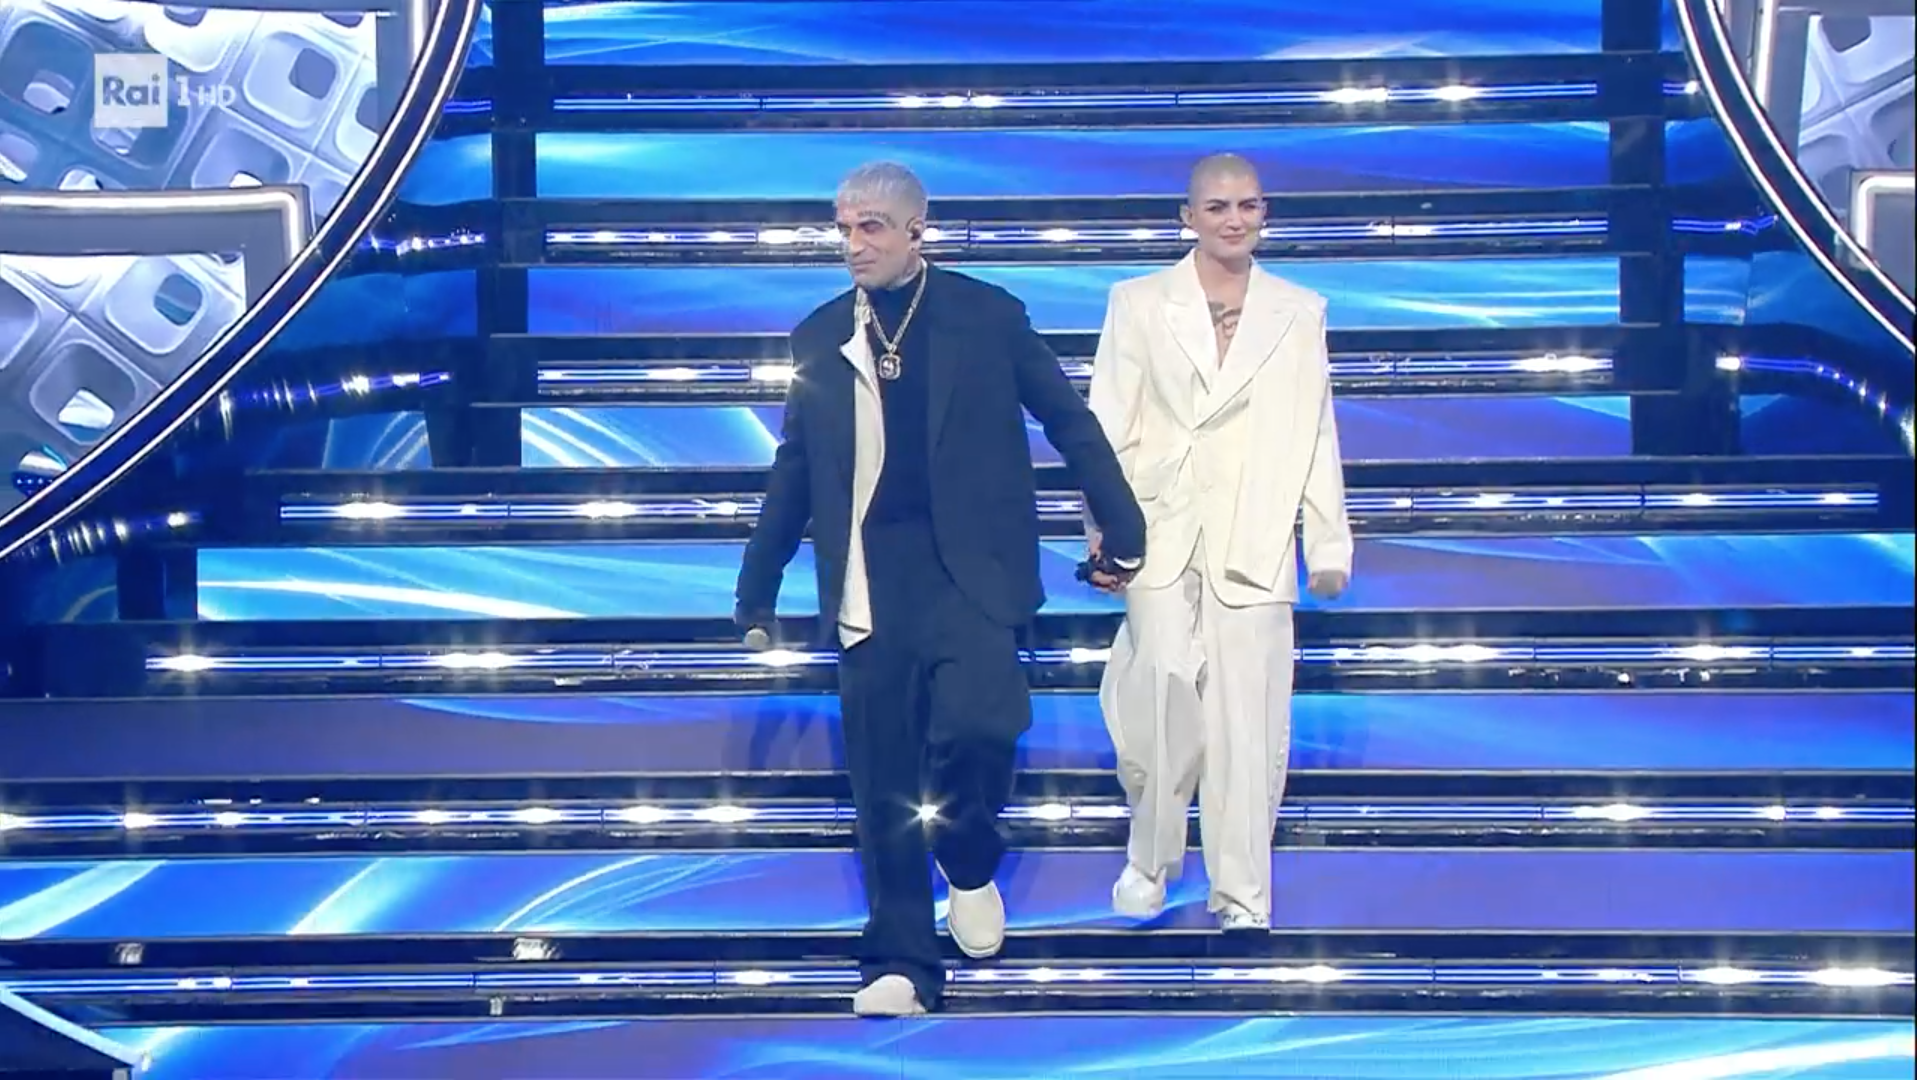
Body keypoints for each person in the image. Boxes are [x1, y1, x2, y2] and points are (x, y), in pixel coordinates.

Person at [733, 161, 1147, 1015]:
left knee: (980, 727)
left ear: (916, 230)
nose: (854, 244)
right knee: (881, 782)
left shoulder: (986, 316)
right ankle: (899, 963)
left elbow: (1067, 420)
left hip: (972, 577)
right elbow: (796, 468)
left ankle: (966, 857)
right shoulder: (820, 336)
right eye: (844, 228)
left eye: (871, 227)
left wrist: (1123, 525)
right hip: (869, 585)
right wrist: (757, 586)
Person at [1082, 153, 1353, 932]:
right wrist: (1103, 535)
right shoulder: (1138, 302)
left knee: (1248, 719)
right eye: (1217, 207)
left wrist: (1326, 542)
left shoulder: (1297, 311)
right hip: (1157, 525)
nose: (1234, 219)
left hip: (1255, 528)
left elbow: (1316, 428)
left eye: (1247, 205)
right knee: (1154, 697)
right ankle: (1150, 857)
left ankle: (1241, 891)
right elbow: (1106, 425)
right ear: (1188, 217)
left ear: (1263, 213)